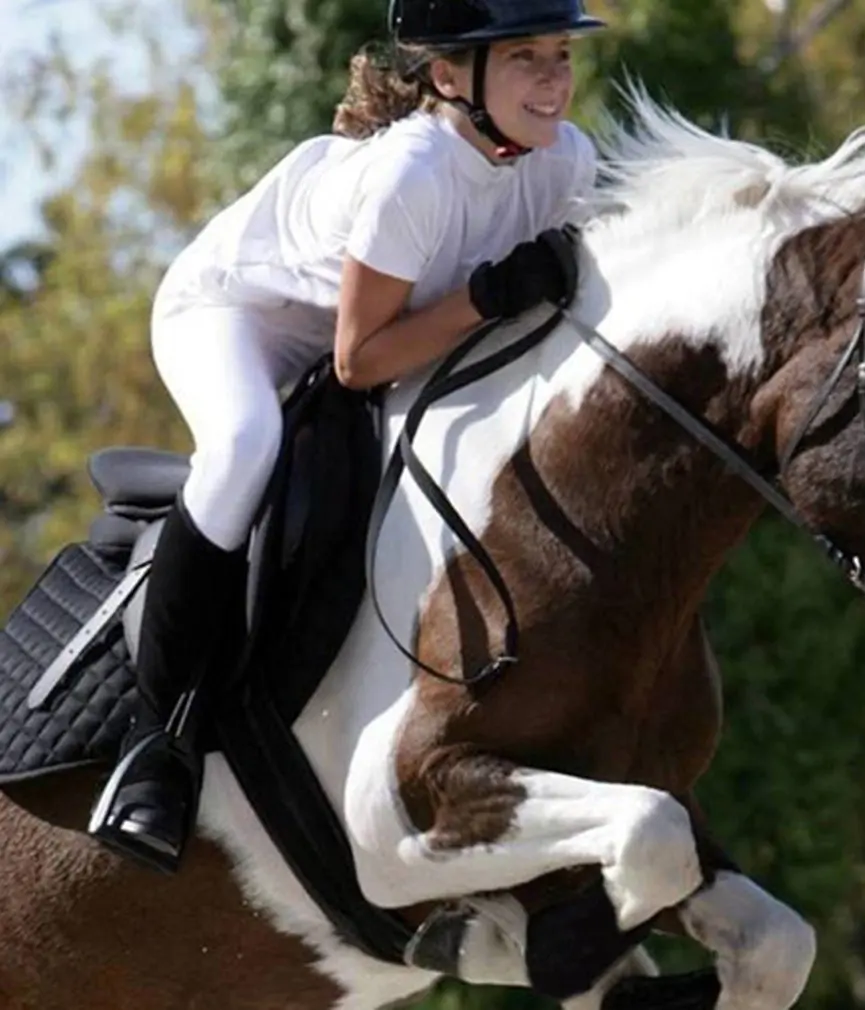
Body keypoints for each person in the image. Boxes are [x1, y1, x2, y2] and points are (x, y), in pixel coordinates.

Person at [88, 0, 608, 874]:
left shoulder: (565, 162)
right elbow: (359, 360)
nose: (555, 77)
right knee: (247, 446)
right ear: (451, 76)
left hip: (379, 325)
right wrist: (485, 298)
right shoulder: (416, 172)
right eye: (524, 56)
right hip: (240, 315)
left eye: (560, 53)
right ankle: (156, 743)